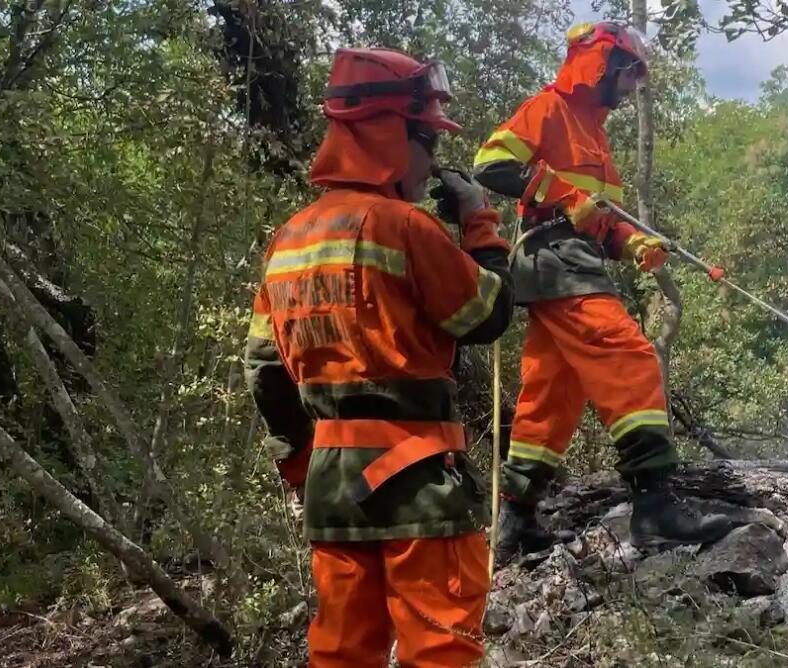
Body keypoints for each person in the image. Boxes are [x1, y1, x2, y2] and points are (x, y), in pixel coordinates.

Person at [245, 46, 514, 667]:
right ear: (395, 135)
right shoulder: (405, 228)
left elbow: (263, 367)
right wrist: (480, 225)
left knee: (343, 653)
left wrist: (300, 464)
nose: (432, 161)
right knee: (440, 648)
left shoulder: (288, 241)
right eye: (429, 141)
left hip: (334, 488)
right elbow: (488, 314)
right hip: (419, 486)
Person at [472, 22, 733, 565]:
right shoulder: (547, 110)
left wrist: (633, 243)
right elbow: (490, 165)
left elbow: (601, 221)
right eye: (628, 72)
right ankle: (654, 506)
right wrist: (563, 195)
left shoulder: (598, 137)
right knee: (631, 358)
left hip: (576, 259)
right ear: (599, 64)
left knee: (552, 395)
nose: (633, 84)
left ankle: (516, 521)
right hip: (552, 257)